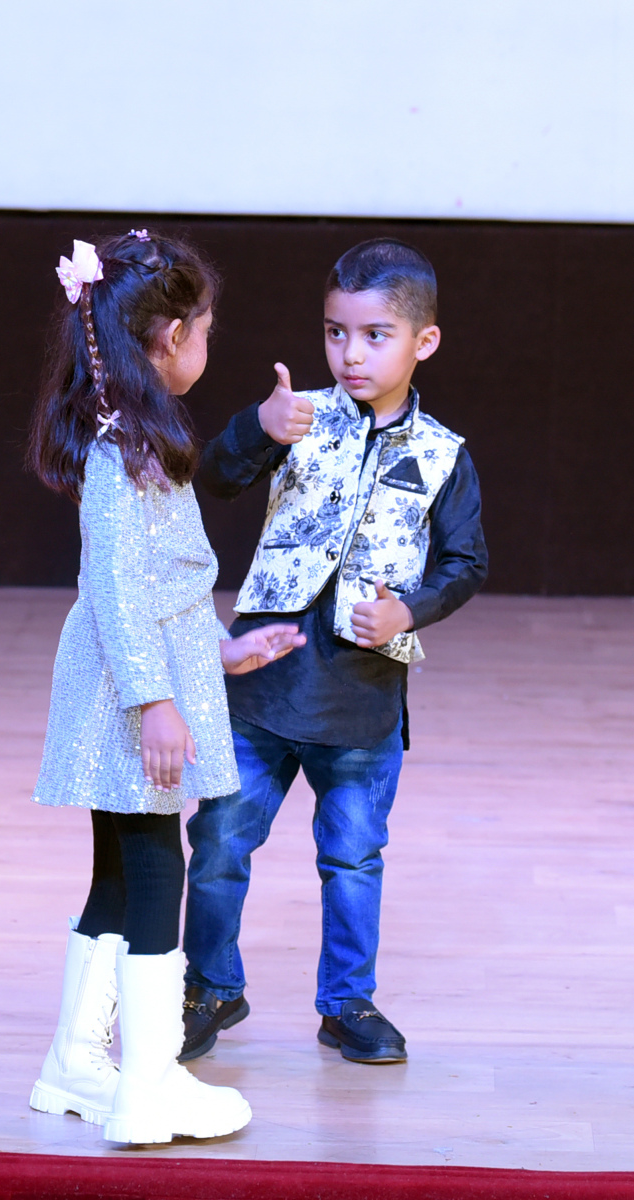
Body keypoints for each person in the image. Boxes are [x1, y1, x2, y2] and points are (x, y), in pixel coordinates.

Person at [181, 238, 488, 1066]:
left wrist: (408, 613)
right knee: (219, 843)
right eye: (334, 332)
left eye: (374, 335)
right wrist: (256, 427)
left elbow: (465, 563)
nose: (350, 354)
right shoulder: (298, 416)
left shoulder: (444, 454)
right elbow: (214, 477)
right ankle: (209, 986)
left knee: (352, 857)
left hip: (359, 694)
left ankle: (346, 1003)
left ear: (423, 341)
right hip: (262, 682)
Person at [26, 230, 304, 1144]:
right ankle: (146, 1083)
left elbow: (158, 582)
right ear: (171, 336)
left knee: (117, 870)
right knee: (154, 866)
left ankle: (75, 1064)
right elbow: (115, 586)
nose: (207, 346)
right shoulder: (122, 452)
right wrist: (155, 700)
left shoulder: (136, 439)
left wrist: (220, 651)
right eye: (207, 331)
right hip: (129, 691)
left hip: (142, 673)